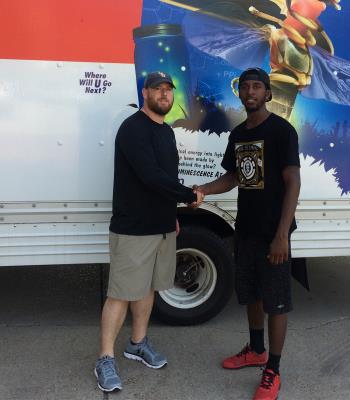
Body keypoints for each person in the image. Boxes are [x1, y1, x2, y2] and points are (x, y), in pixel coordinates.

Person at [94, 71, 204, 392]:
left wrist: (172, 215)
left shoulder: (166, 131)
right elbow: (151, 176)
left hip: (162, 227)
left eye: (168, 89)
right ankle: (105, 358)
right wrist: (188, 195)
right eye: (158, 89)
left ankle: (137, 343)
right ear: (145, 93)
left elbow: (165, 177)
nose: (164, 94)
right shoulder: (133, 129)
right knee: (121, 293)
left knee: (149, 288)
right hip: (133, 229)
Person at [196, 67, 300, 400]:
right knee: (252, 293)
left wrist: (282, 234)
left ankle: (273, 369)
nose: (251, 91)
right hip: (246, 230)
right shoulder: (239, 134)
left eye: (257, 86)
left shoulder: (282, 131)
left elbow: (293, 181)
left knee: (276, 302)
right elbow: (234, 177)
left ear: (267, 94)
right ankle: (256, 350)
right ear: (239, 93)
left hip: (273, 233)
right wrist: (203, 190)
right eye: (245, 87)